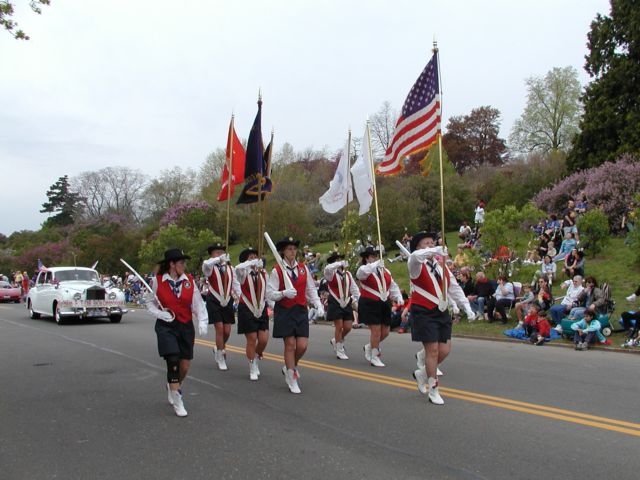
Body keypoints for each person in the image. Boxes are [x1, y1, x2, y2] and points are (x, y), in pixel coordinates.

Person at [407, 231, 475, 406]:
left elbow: (453, 287)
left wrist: (466, 307)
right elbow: (416, 256)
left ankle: (422, 374)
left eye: (432, 242)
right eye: (426, 243)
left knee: (444, 350)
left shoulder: (441, 265)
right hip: (423, 311)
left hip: (441, 311)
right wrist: (435, 249)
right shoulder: (415, 263)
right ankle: (434, 388)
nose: (430, 245)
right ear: (418, 247)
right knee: (433, 351)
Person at [146, 248, 208, 417]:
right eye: (181, 262)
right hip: (166, 326)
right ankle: (177, 397)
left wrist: (202, 321)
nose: (184, 265)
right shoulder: (157, 281)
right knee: (172, 359)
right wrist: (160, 313)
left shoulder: (189, 281)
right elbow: (149, 303)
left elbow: (198, 304)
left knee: (184, 365)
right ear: (172, 264)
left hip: (185, 326)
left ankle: (173, 384)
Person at [266, 236, 324, 394]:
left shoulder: (303, 268)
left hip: (300, 310)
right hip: (284, 310)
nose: (292, 251)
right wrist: (284, 293)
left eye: (294, 248)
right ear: (283, 252)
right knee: (290, 345)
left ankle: (290, 366)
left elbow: (311, 289)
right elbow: (270, 293)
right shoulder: (277, 270)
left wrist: (318, 304)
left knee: (302, 346)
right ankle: (291, 376)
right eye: (289, 249)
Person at [356, 245, 403, 368]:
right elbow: (361, 274)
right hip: (370, 302)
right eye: (372, 256)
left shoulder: (385, 271)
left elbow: (392, 285)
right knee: (376, 331)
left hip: (384, 303)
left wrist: (399, 296)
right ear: (367, 258)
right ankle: (374, 356)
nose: (375, 258)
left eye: (376, 256)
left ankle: (370, 346)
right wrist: (375, 264)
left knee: (386, 331)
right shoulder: (364, 269)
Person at [234, 248, 269, 381]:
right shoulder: (242, 273)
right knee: (252, 339)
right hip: (247, 308)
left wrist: (273, 305)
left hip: (261, 308)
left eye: (255, 256)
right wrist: (250, 263)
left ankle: (256, 354)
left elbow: (268, 291)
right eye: (251, 257)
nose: (254, 258)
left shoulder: (264, 273)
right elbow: (237, 268)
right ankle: (252, 365)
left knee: (264, 339)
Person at [202, 243, 235, 371]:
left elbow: (235, 282)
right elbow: (206, 265)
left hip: (227, 299)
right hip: (214, 299)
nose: (220, 254)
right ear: (212, 254)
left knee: (227, 330)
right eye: (217, 252)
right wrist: (217, 259)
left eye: (221, 252)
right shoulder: (210, 267)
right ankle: (221, 355)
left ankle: (218, 347)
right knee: (220, 328)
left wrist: (238, 295)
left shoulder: (229, 268)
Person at [324, 251, 359, 360]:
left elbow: (353, 287)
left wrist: (358, 297)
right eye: (338, 259)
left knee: (348, 327)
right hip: (335, 301)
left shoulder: (347, 274)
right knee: (339, 326)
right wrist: (339, 264)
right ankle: (339, 349)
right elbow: (327, 269)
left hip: (347, 301)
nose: (340, 261)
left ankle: (337, 340)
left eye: (341, 259)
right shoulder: (331, 273)